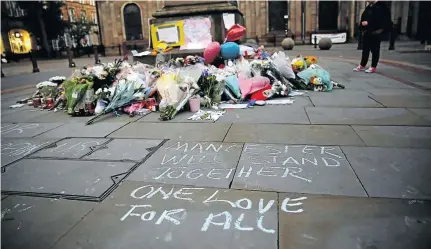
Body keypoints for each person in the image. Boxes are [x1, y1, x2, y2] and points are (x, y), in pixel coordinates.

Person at [354, 1, 391, 73]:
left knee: (375, 50)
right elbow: (364, 16)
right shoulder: (369, 7)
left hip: (376, 31)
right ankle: (362, 64)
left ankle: (373, 66)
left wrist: (369, 23)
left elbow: (382, 20)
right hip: (367, 31)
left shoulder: (381, 7)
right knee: (365, 49)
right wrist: (362, 24)